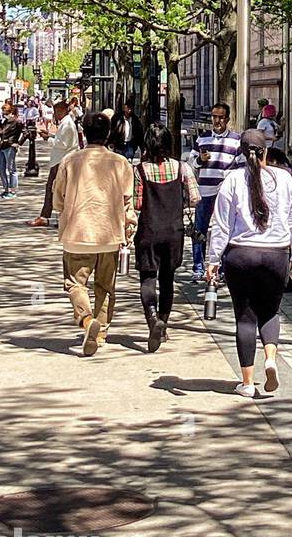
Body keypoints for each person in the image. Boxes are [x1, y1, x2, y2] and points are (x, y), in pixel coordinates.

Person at [206, 130, 292, 398]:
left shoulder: (233, 180)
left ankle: (248, 382)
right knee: (271, 312)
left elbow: (221, 225)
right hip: (276, 255)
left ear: (240, 151)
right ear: (266, 151)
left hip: (241, 255)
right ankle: (270, 358)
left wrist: (213, 260)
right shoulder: (284, 179)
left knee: (245, 317)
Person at [51, 112, 136, 355]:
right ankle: (100, 334)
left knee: (74, 283)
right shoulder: (120, 163)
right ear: (108, 134)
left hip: (77, 233)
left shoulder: (70, 161)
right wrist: (129, 228)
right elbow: (128, 201)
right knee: (106, 287)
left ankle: (87, 321)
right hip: (109, 233)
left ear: (83, 133)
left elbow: (58, 199)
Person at [134, 123, 200, 351]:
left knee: (147, 277)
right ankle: (164, 321)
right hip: (174, 231)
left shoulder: (140, 170)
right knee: (167, 279)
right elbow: (195, 198)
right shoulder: (182, 168)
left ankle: (152, 319)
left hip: (149, 230)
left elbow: (137, 203)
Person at [189, 103, 243, 280]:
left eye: (221, 117)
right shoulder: (202, 138)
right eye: (214, 116)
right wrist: (199, 159)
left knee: (225, 229)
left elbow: (242, 166)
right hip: (204, 191)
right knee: (199, 230)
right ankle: (198, 267)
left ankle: (223, 268)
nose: (217, 120)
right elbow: (191, 164)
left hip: (225, 193)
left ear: (227, 119)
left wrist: (230, 175)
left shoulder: (236, 140)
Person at [30, 100, 80, 227]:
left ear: (62, 111)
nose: (55, 115)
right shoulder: (65, 123)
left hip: (62, 161)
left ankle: (50, 216)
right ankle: (48, 216)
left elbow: (63, 144)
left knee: (55, 189)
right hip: (59, 160)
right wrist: (51, 135)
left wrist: (49, 139)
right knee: (55, 189)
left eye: (56, 112)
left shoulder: (67, 124)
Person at [0, 100, 24, 198]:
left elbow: (25, 133)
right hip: (3, 146)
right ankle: (6, 189)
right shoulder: (5, 121)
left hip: (10, 146)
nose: (4, 115)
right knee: (1, 169)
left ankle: (12, 191)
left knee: (11, 169)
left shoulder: (16, 122)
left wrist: (18, 143)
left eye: (6, 113)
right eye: (3, 113)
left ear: (11, 112)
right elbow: (3, 133)